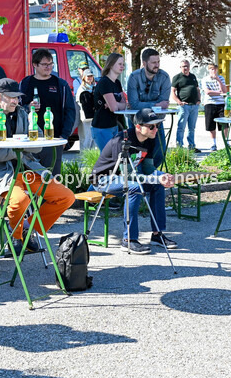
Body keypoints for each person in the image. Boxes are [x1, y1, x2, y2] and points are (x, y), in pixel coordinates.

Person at [0, 79, 75, 255]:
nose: (16, 101)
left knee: (66, 197)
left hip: (28, 170)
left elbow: (39, 144)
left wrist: (20, 147)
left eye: (17, 97)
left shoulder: (23, 113)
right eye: (12, 97)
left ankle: (27, 228)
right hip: (0, 175)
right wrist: (22, 148)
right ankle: (16, 236)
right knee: (21, 201)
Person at [91, 107, 178, 254]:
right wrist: (156, 178)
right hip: (104, 179)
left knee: (157, 186)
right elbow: (126, 175)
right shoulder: (122, 140)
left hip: (127, 178)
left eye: (157, 125)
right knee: (134, 187)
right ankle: (128, 240)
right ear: (138, 126)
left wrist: (163, 176)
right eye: (151, 126)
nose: (155, 129)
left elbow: (148, 169)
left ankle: (157, 234)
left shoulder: (150, 140)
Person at [19, 48, 76, 175]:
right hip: (30, 140)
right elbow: (18, 109)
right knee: (31, 178)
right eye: (44, 64)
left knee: (53, 178)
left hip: (53, 139)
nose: (48, 67)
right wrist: (28, 107)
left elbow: (70, 111)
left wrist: (64, 136)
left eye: (51, 64)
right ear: (35, 65)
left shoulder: (61, 84)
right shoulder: (25, 83)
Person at [92, 53, 127, 152]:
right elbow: (114, 108)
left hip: (114, 125)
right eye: (119, 64)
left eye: (123, 64)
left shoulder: (117, 83)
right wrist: (116, 105)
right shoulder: (105, 82)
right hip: (102, 127)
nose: (122, 66)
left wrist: (115, 104)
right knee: (108, 156)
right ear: (111, 65)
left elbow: (124, 105)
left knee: (115, 156)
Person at [170, 60, 201, 151]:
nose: (186, 68)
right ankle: (179, 146)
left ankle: (191, 146)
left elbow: (197, 90)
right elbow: (172, 92)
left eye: (187, 66)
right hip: (184, 107)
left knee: (192, 128)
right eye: (184, 66)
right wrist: (179, 102)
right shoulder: (177, 77)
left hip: (194, 106)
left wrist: (199, 100)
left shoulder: (193, 77)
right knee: (181, 127)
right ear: (180, 67)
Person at [202, 63, 227, 151]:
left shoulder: (221, 78)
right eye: (212, 69)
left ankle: (226, 142)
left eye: (215, 69)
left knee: (224, 124)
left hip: (220, 103)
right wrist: (219, 93)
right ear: (209, 70)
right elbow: (207, 92)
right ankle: (214, 143)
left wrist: (218, 80)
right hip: (209, 103)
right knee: (211, 125)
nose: (213, 71)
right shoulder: (205, 79)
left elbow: (224, 91)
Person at [76, 68, 97, 151]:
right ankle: (84, 158)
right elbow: (79, 104)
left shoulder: (95, 87)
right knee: (86, 139)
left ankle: (93, 157)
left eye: (91, 76)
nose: (90, 78)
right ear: (84, 77)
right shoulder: (81, 89)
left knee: (94, 139)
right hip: (85, 118)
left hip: (94, 117)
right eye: (88, 76)